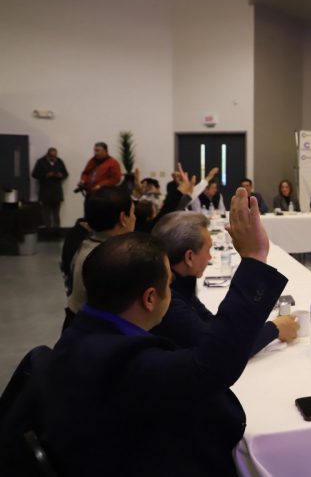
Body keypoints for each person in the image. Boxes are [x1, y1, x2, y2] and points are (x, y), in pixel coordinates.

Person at [41, 188, 288, 477]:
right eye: (168, 283)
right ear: (150, 298)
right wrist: (255, 257)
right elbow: (213, 364)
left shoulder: (79, 334)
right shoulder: (127, 363)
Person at [151, 212, 298, 350]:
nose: (211, 257)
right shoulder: (168, 301)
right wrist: (274, 330)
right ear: (189, 257)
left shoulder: (181, 283)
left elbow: (214, 327)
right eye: (208, 250)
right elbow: (219, 349)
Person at [65, 186, 136, 330]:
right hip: (93, 330)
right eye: (133, 213)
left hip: (75, 321)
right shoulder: (111, 258)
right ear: (123, 218)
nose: (135, 218)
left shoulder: (82, 243)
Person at [31, 147, 69, 231]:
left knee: (56, 215)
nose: (54, 158)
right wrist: (46, 175)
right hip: (45, 192)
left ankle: (57, 232)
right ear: (47, 155)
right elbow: (34, 174)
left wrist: (61, 175)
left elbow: (66, 174)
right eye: (52, 156)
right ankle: (47, 233)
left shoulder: (59, 161)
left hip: (57, 192)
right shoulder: (40, 162)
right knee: (46, 215)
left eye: (55, 156)